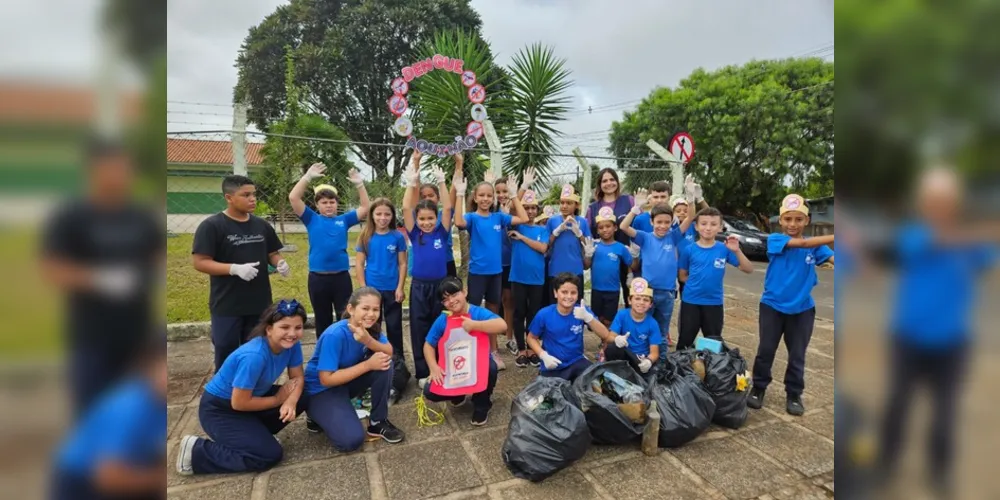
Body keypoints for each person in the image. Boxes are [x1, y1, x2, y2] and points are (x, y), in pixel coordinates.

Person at [875, 168, 997, 496]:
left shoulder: (973, 242)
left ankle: (939, 473)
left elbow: (990, 256)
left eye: (947, 201)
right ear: (925, 203)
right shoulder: (914, 235)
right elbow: (941, 240)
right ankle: (886, 465)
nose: (940, 206)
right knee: (897, 406)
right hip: (908, 340)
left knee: (946, 414)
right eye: (934, 201)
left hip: (952, 343)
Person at [41, 138, 163, 418]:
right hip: (92, 334)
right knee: (92, 412)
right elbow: (52, 267)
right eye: (115, 167)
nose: (122, 174)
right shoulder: (72, 216)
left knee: (134, 412)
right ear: (94, 170)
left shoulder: (139, 216)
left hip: (136, 332)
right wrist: (98, 279)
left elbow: (156, 256)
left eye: (126, 168)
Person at [175, 300, 309, 475]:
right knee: (269, 455)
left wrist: (290, 401)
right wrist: (278, 399)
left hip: (252, 399)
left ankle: (254, 437)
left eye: (298, 327)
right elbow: (238, 403)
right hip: (220, 409)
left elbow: (297, 378)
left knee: (303, 395)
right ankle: (196, 453)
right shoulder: (254, 356)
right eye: (284, 327)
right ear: (269, 329)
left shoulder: (292, 345)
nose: (292, 333)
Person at [747, 194, 834, 416]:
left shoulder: (817, 248)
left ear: (807, 221)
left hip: (802, 309)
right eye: (788, 219)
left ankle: (794, 393)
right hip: (772, 306)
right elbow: (803, 243)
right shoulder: (776, 239)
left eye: (798, 219)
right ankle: (758, 388)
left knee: (797, 354)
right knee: (766, 350)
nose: (792, 224)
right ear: (781, 221)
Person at [51, 335, 166, 500]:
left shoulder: (159, 400)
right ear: (149, 365)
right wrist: (159, 478)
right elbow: (107, 478)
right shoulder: (129, 407)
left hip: (130, 463)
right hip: (82, 483)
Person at [192, 175, 288, 371]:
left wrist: (280, 263)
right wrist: (233, 269)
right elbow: (200, 262)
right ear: (229, 197)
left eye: (254, 194)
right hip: (227, 303)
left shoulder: (261, 225)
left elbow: (272, 253)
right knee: (226, 349)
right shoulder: (212, 226)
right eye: (246, 195)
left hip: (259, 301)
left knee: (256, 349)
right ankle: (223, 394)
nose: (253, 199)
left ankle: (252, 390)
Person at [302, 288, 404, 449]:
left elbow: (389, 352)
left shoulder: (369, 329)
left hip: (345, 382)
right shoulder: (334, 335)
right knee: (351, 440)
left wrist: (368, 341)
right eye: (365, 308)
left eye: (375, 309)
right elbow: (326, 379)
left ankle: (377, 421)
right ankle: (315, 415)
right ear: (351, 309)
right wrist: (368, 365)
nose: (371, 314)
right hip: (321, 391)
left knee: (385, 362)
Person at [454, 169, 531, 370]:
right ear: (475, 197)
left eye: (489, 195)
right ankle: (471, 348)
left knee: (492, 313)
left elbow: (522, 218)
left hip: (496, 273)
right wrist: (460, 193)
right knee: (472, 312)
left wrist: (514, 195)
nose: (485, 199)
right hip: (477, 273)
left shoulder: (499, 218)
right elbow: (458, 222)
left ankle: (493, 351)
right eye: (481, 195)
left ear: (494, 197)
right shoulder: (472, 217)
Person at [289, 163, 370, 337]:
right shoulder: (311, 218)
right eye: (324, 202)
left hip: (341, 277)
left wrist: (359, 185)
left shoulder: (344, 220)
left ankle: (344, 346)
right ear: (317, 205)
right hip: (318, 279)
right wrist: (307, 177)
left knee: (345, 315)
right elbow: (294, 198)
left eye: (332, 202)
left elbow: (365, 207)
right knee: (322, 318)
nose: (328, 205)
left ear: (337, 204)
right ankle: (324, 350)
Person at [422, 277, 508, 426]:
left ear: (464, 292)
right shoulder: (443, 319)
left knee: (491, 368)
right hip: (454, 366)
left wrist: (475, 325)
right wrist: (433, 368)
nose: (451, 301)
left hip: (478, 364)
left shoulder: (477, 312)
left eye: (455, 294)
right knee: (429, 391)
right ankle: (459, 393)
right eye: (446, 299)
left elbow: (502, 325)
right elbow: (428, 344)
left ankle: (482, 403)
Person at [403, 151, 455, 385]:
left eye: (429, 219)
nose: (425, 223)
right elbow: (406, 207)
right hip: (419, 288)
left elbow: (447, 207)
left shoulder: (441, 234)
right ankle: (423, 372)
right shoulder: (415, 235)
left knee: (442, 326)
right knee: (419, 327)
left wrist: (443, 182)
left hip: (440, 288)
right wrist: (412, 179)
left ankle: (442, 366)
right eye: (422, 219)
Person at [619, 190, 694, 354]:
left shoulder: (673, 237)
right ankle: (639, 357)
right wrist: (636, 208)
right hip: (648, 293)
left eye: (667, 222)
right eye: (659, 222)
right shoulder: (645, 237)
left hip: (667, 293)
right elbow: (623, 226)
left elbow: (690, 218)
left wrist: (691, 200)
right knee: (643, 327)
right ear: (652, 221)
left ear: (671, 222)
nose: (663, 226)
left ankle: (661, 363)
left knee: (662, 331)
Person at [676, 207, 754, 350]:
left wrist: (737, 250)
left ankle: (710, 371)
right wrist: (697, 284)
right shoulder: (689, 250)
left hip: (714, 303)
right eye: (704, 224)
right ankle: (681, 371)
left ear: (720, 227)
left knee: (712, 344)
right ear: (696, 227)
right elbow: (682, 275)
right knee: (685, 341)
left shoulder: (724, 249)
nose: (708, 228)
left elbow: (748, 268)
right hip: (691, 302)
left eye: (713, 224)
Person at [527, 273, 613, 382]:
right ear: (555, 293)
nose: (568, 296)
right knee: (550, 395)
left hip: (577, 361)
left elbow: (605, 335)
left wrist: (588, 318)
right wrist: (543, 355)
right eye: (564, 292)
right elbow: (531, 338)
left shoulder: (581, 310)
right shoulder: (544, 314)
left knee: (599, 384)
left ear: (578, 295)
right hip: (553, 364)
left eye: (573, 293)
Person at [355, 198, 407, 356]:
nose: (382, 218)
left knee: (394, 326)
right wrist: (364, 288)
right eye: (378, 214)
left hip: (392, 289)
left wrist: (400, 287)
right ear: (372, 215)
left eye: (387, 214)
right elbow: (359, 264)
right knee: (371, 325)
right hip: (372, 290)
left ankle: (397, 359)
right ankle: (371, 355)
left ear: (392, 216)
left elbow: (403, 263)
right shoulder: (365, 236)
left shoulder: (397, 237)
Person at [507, 190, 549, 368]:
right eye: (526, 208)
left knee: (534, 313)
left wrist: (522, 238)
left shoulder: (542, 229)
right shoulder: (516, 225)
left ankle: (532, 347)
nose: (530, 211)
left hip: (537, 279)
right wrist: (517, 191)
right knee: (519, 313)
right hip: (518, 277)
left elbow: (542, 248)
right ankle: (522, 349)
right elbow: (509, 209)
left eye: (533, 208)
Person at [584, 206, 638, 332]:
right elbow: (586, 266)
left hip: (612, 291)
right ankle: (603, 339)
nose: (605, 230)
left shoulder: (621, 248)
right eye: (601, 228)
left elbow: (633, 266)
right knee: (596, 320)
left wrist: (635, 255)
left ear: (615, 228)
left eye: (608, 226)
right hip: (596, 289)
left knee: (609, 320)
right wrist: (588, 254)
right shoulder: (594, 245)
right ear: (597, 230)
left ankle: (605, 346)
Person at [585, 168, 635, 302]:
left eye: (612, 179)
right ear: (599, 185)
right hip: (603, 257)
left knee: (631, 295)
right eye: (604, 181)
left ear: (617, 182)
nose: (609, 183)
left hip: (626, 254)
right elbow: (587, 232)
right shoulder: (593, 207)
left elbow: (640, 222)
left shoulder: (629, 200)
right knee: (605, 297)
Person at [604, 278, 662, 375]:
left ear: (650, 304)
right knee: (611, 348)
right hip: (624, 355)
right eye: (637, 298)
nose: (641, 302)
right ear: (629, 300)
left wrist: (648, 361)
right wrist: (617, 339)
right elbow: (609, 337)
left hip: (640, 360)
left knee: (651, 377)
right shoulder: (621, 315)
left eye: (646, 300)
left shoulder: (653, 323)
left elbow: (655, 352)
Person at [545, 184, 590, 306]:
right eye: (562, 202)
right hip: (555, 270)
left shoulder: (583, 222)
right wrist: (556, 232)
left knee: (575, 305)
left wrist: (579, 233)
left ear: (576, 205)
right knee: (554, 305)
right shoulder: (552, 221)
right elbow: (545, 245)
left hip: (575, 270)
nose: (564, 206)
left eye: (569, 203)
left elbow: (588, 245)